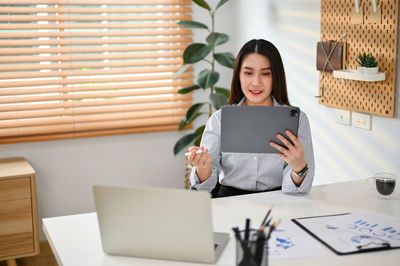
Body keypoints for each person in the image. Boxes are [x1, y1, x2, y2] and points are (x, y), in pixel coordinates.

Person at [187, 39, 315, 197]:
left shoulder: (297, 121)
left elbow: (298, 189)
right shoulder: (220, 119)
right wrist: (203, 168)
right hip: (228, 201)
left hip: (279, 201)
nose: (256, 82)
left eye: (265, 74)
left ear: (276, 76)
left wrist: (298, 167)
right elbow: (203, 189)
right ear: (238, 75)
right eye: (248, 73)